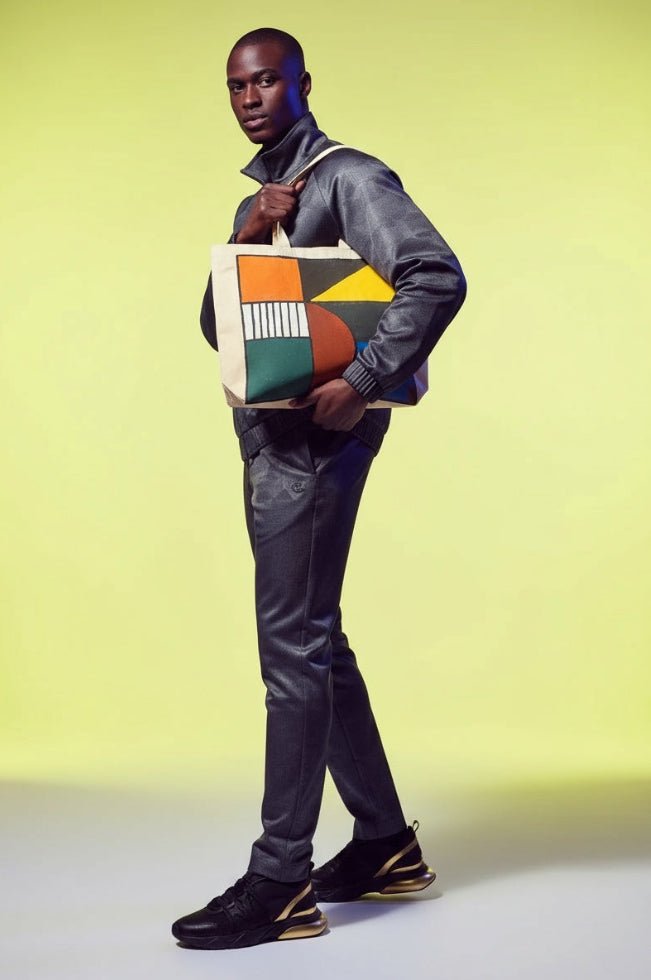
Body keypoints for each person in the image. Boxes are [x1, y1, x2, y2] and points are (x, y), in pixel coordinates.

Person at [171, 27, 466, 950]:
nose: (249, 96)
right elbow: (220, 326)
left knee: (290, 650)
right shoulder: (262, 197)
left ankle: (279, 880)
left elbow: (434, 274)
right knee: (316, 640)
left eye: (265, 80)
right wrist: (247, 231)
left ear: (302, 83)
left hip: (312, 444)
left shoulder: (348, 177)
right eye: (235, 86)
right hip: (275, 440)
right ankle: (382, 846)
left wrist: (365, 379)